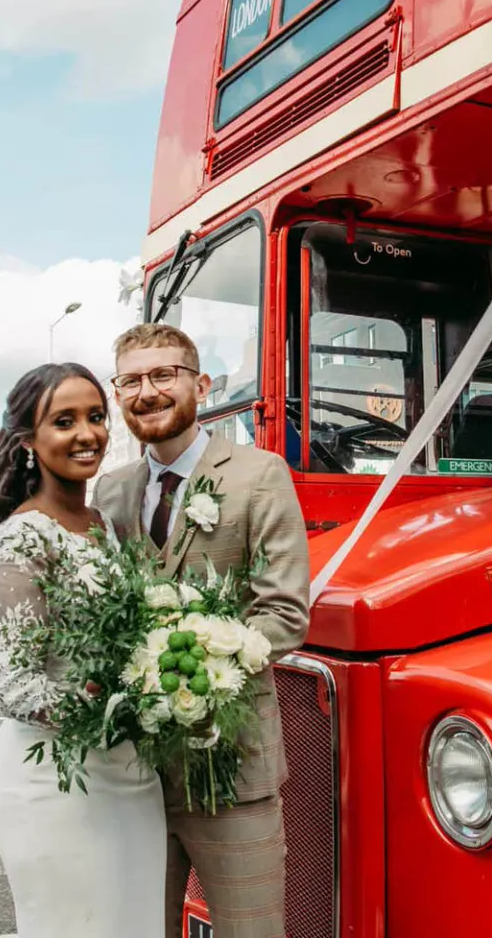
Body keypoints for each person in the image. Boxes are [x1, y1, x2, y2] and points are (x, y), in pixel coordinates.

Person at [96, 322, 310, 938]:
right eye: (131, 380)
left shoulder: (259, 474)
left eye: (164, 374)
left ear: (202, 384)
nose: (147, 392)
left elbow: (284, 612)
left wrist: (197, 667)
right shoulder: (112, 492)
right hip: (133, 778)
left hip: (233, 769)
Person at [0, 363, 165, 938]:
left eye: (97, 417)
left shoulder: (106, 525)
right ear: (28, 440)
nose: (87, 434)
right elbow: (16, 685)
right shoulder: (23, 536)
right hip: (53, 783)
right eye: (64, 421)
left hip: (132, 779)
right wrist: (123, 708)